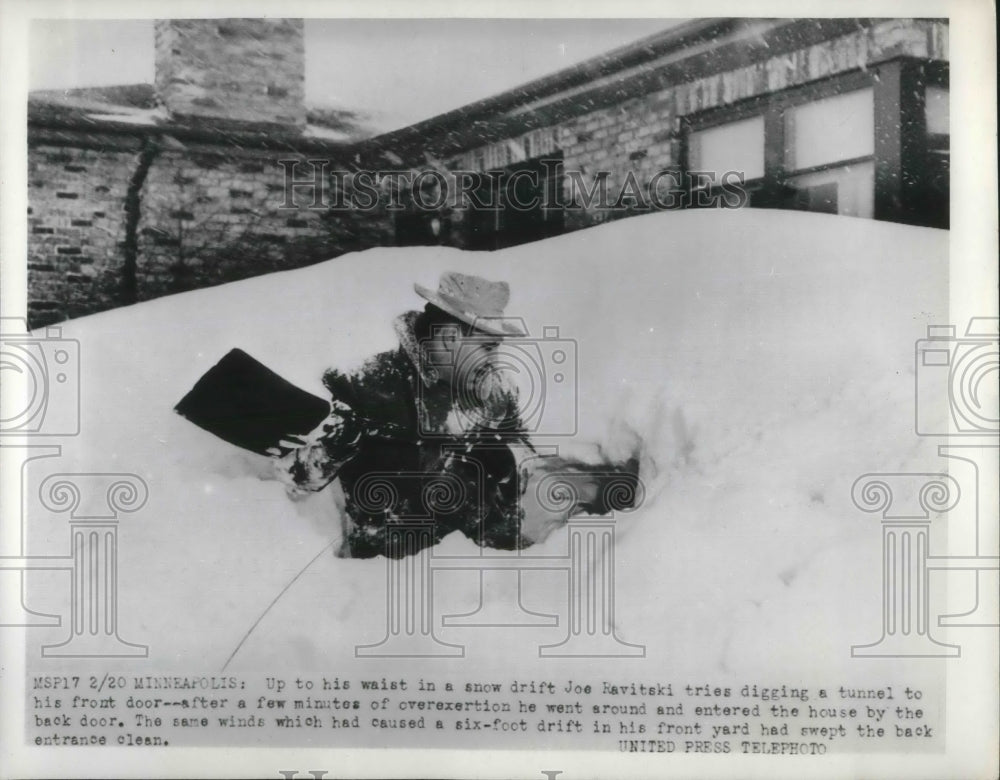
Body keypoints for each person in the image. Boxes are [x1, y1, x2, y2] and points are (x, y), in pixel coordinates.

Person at [271, 272, 539, 558]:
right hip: (395, 574)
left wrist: (510, 461)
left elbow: (526, 458)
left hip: (495, 564)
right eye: (487, 348)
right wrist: (335, 447)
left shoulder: (497, 390)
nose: (494, 361)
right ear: (449, 339)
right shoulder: (363, 384)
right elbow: (295, 480)